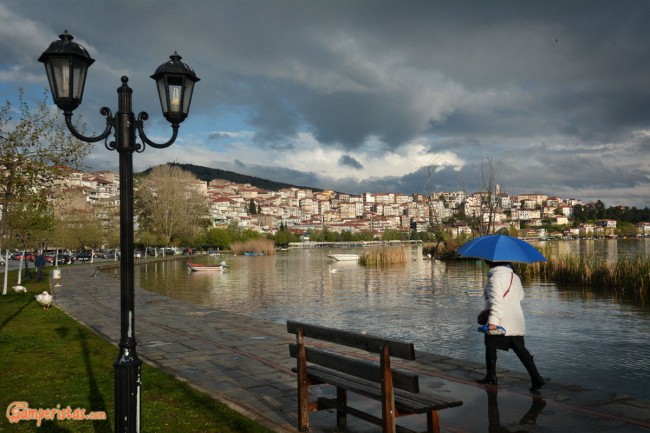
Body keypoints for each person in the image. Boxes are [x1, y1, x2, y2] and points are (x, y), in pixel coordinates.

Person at [477, 260, 546, 392]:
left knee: (490, 345)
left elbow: (496, 302)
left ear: (491, 263)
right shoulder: (515, 277)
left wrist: (493, 322)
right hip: (515, 319)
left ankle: (491, 377)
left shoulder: (495, 278)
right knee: (521, 350)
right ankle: (536, 377)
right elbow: (521, 296)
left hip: (501, 320)